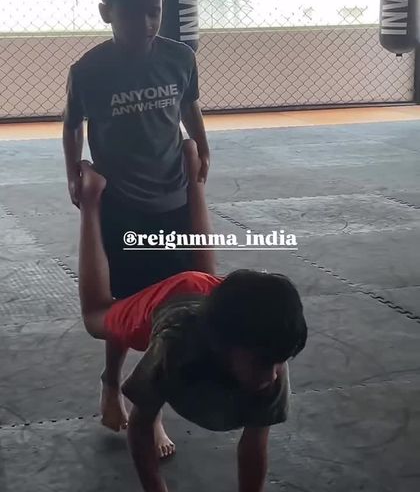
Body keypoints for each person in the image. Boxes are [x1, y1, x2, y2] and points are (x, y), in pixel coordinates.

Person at [77, 141, 308, 491]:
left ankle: (193, 176)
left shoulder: (271, 353)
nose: (271, 375)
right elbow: (140, 426)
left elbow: (255, 444)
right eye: (263, 365)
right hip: (167, 302)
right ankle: (91, 200)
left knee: (204, 274)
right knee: (95, 317)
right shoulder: (174, 344)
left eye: (277, 363)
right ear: (223, 346)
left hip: (209, 291)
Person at [62, 0, 213, 432]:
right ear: (106, 11)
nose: (145, 23)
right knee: (124, 305)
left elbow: (189, 107)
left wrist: (202, 144)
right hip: (121, 203)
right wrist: (73, 171)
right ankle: (111, 384)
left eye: (154, 11)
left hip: (172, 197)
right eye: (131, 13)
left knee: (172, 304)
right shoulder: (89, 70)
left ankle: (150, 403)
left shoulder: (179, 57)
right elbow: (71, 124)